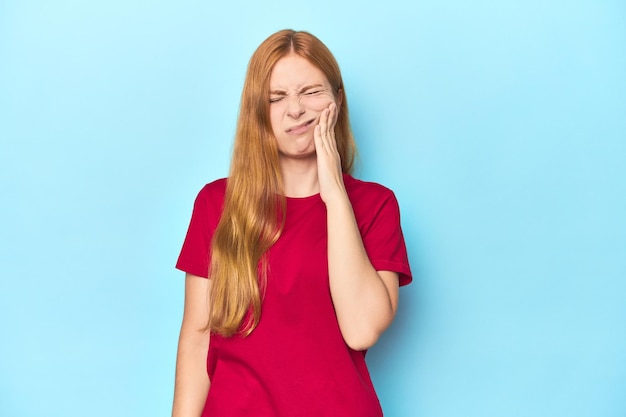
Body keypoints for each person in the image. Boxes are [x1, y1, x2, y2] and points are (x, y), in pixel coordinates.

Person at [172, 29, 412, 417]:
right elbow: (197, 339)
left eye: (311, 92)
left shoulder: (375, 205)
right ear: (258, 111)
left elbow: (362, 329)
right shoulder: (217, 204)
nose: (295, 110)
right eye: (276, 97)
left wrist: (333, 190)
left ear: (337, 98)